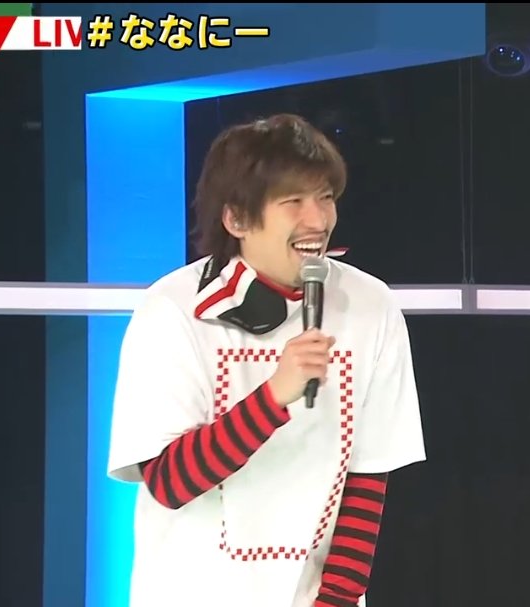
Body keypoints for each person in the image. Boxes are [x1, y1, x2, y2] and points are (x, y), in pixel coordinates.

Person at [106, 113, 427, 607]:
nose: (317, 221)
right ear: (236, 219)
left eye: (325, 197)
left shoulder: (370, 305)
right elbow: (169, 482)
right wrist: (274, 396)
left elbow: (368, 477)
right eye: (293, 201)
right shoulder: (172, 309)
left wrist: (335, 600)